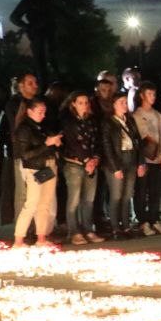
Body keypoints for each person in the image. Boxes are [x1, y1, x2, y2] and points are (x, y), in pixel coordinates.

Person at [12, 97, 61, 246]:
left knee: (44, 204)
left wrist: (55, 143)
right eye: (40, 112)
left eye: (44, 112)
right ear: (29, 111)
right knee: (31, 203)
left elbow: (49, 144)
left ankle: (41, 238)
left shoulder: (42, 126)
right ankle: (18, 240)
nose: (43, 115)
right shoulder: (24, 129)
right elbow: (25, 154)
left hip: (48, 167)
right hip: (34, 169)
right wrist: (46, 144)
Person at [60, 90, 104, 245]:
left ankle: (88, 229)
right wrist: (87, 160)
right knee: (74, 199)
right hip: (74, 164)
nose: (84, 106)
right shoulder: (68, 121)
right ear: (73, 104)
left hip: (91, 164)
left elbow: (98, 141)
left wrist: (96, 158)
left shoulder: (92, 120)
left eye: (86, 102)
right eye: (80, 103)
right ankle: (74, 232)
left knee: (89, 200)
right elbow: (72, 143)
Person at [100, 92, 144, 239]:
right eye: (121, 102)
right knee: (116, 195)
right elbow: (107, 146)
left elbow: (138, 142)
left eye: (125, 102)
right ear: (113, 105)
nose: (124, 105)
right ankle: (115, 228)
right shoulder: (108, 122)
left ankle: (126, 226)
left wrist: (140, 162)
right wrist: (115, 167)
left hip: (130, 158)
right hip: (117, 160)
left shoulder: (130, 120)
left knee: (127, 195)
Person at [0, 71, 40, 224]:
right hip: (20, 153)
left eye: (35, 83)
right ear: (21, 86)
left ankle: (36, 227)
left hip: (37, 152)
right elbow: (15, 128)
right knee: (22, 192)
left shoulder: (37, 101)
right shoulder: (14, 104)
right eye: (30, 83)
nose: (35, 86)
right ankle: (22, 229)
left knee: (36, 193)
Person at [131, 82, 161, 235]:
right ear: (142, 95)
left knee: (155, 191)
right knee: (141, 191)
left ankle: (154, 219)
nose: (152, 97)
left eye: (154, 94)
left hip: (156, 158)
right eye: (149, 94)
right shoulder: (136, 116)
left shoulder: (158, 115)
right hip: (142, 159)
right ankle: (143, 221)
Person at [8, 0, 55, 83]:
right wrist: (28, 27)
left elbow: (63, 13)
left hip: (53, 32)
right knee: (40, 63)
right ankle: (44, 84)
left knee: (53, 59)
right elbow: (14, 17)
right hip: (38, 33)